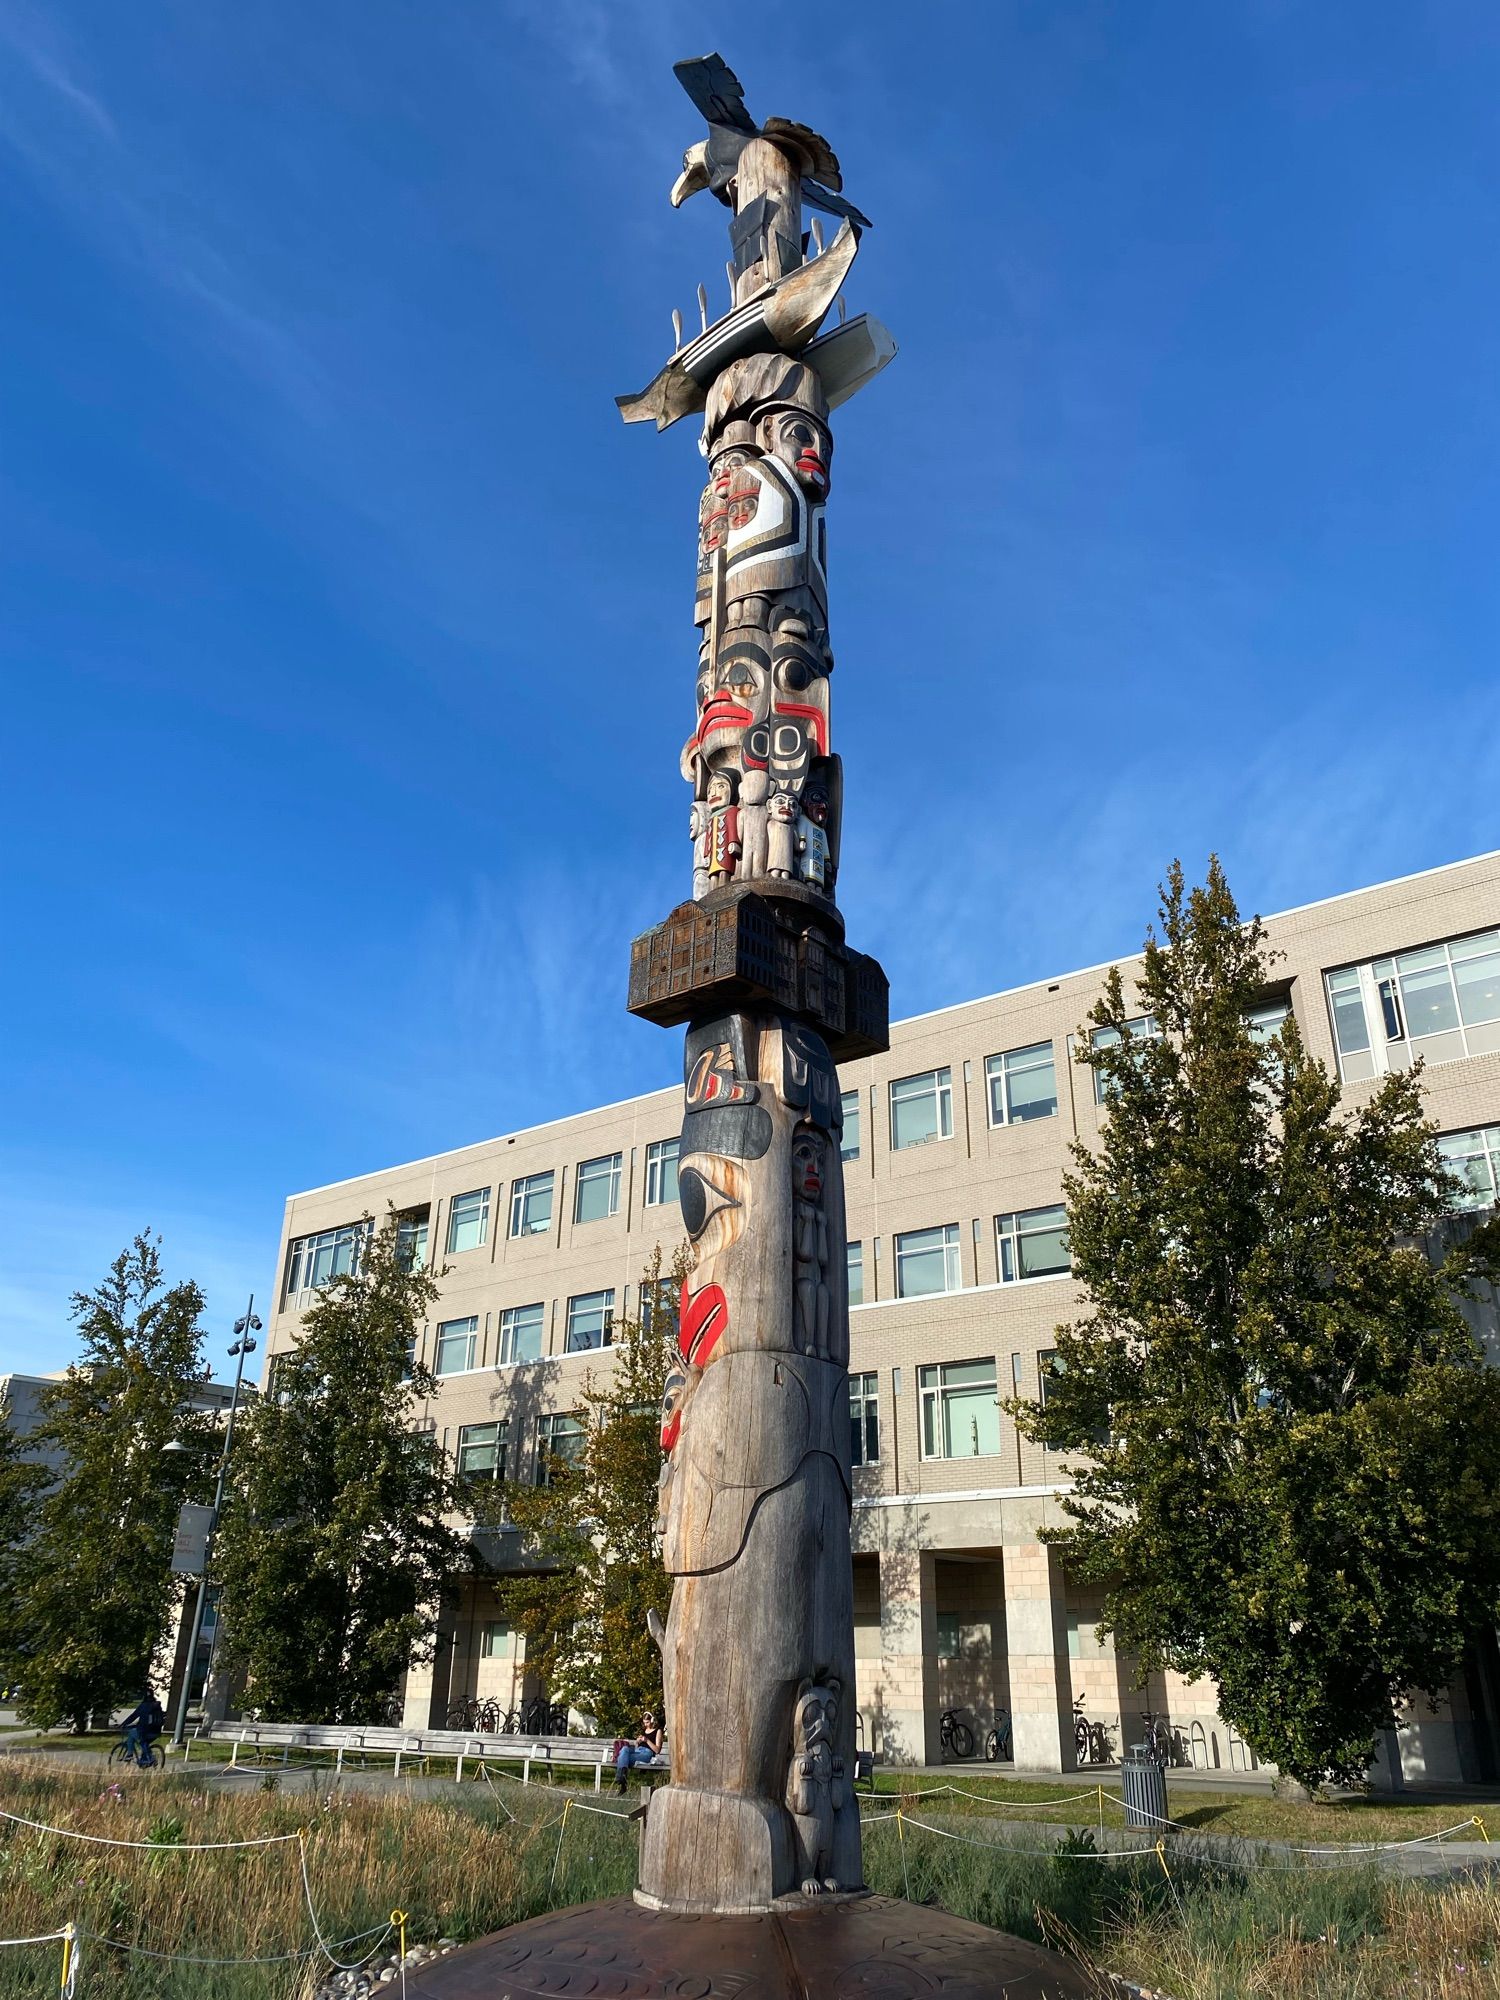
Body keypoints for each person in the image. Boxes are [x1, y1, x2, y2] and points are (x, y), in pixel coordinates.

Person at [613, 1709, 664, 1794]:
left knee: (622, 1757)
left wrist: (647, 1740)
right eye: (644, 1722)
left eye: (647, 1722)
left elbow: (657, 1750)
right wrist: (637, 1742)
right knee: (624, 1749)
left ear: (652, 1720)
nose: (645, 1724)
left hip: (648, 1753)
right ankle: (622, 1780)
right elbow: (637, 1746)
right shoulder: (644, 1730)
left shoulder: (658, 1731)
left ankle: (622, 1781)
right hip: (638, 1750)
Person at [121, 1688, 165, 1767]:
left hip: (145, 1731)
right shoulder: (157, 1705)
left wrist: (124, 1724)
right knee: (145, 1744)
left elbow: (133, 1716)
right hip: (156, 1731)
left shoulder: (143, 1706)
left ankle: (130, 1754)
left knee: (132, 1734)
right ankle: (144, 1761)